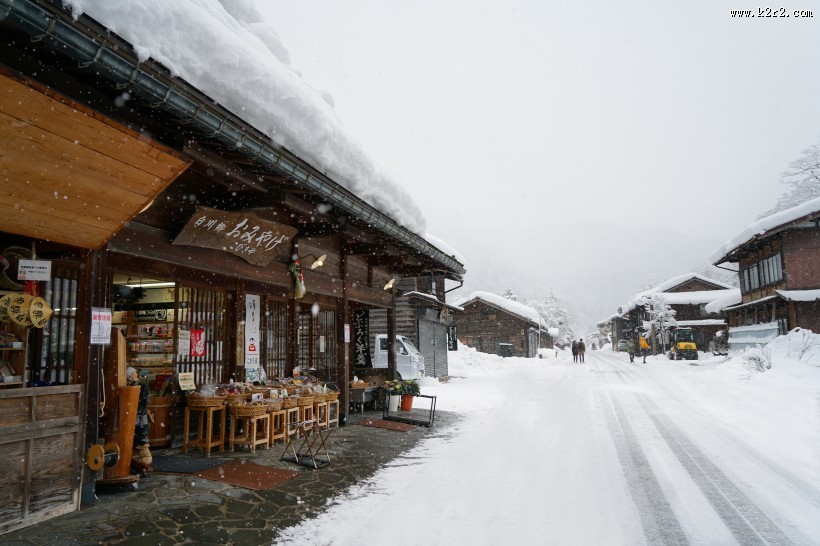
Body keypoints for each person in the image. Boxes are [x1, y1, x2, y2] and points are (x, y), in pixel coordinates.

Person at [127, 366, 153, 476]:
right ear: (129, 376)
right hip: (140, 415)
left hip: (133, 415)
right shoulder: (142, 386)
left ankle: (141, 465)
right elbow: (145, 401)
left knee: (138, 437)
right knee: (142, 437)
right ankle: (144, 465)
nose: (137, 374)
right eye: (134, 373)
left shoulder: (130, 387)